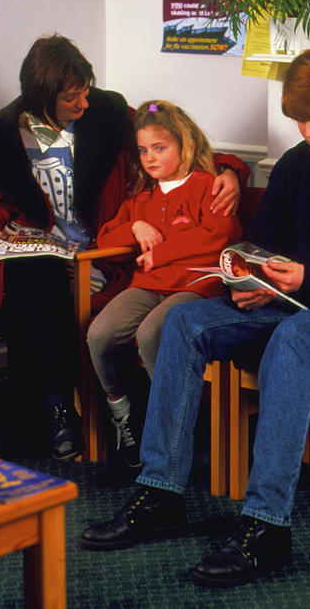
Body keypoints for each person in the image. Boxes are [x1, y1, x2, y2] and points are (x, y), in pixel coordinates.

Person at [80, 48, 310, 587]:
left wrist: (306, 278)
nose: (309, 130)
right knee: (184, 324)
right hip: (287, 299)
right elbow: (269, 244)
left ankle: (267, 527)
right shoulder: (294, 164)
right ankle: (161, 491)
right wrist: (256, 278)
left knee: (293, 341)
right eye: (300, 121)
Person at [0, 34, 248, 460]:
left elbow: (174, 140)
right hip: (37, 261)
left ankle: (85, 421)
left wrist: (228, 169)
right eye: (71, 99)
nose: (84, 105)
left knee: (58, 298)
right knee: (35, 279)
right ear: (41, 97)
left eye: (85, 93)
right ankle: (58, 410)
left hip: (103, 257)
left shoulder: (110, 114)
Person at [86, 100, 242, 483]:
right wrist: (136, 228)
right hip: (148, 288)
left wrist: (161, 253)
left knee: (151, 332)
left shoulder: (209, 185)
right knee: (98, 334)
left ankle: (170, 435)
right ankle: (126, 420)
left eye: (160, 148)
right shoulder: (142, 196)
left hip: (196, 288)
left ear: (183, 145)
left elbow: (221, 235)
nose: (150, 158)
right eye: (143, 150)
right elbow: (105, 235)